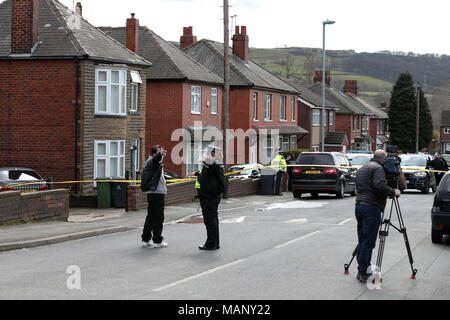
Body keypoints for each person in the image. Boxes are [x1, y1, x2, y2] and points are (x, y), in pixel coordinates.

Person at [354, 150, 401, 283]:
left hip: (359, 205)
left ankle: (361, 270)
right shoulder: (379, 168)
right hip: (371, 208)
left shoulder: (363, 168)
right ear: (383, 159)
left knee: (363, 240)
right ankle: (363, 272)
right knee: (368, 242)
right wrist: (393, 191)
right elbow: (379, 185)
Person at [195, 146, 225, 250]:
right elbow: (208, 176)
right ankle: (214, 242)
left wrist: (206, 160)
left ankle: (211, 243)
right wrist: (198, 174)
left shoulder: (214, 164)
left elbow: (213, 168)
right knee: (212, 220)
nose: (206, 154)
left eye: (208, 153)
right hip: (209, 196)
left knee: (210, 220)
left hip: (210, 196)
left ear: (213, 154)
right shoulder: (212, 165)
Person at [140, 145, 168, 248]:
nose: (161, 154)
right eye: (159, 152)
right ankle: (157, 240)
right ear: (153, 154)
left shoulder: (152, 162)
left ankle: (146, 239)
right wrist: (160, 154)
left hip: (153, 193)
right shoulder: (152, 162)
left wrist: (161, 155)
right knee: (158, 217)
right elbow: (156, 160)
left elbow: (158, 160)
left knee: (150, 217)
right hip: (157, 194)